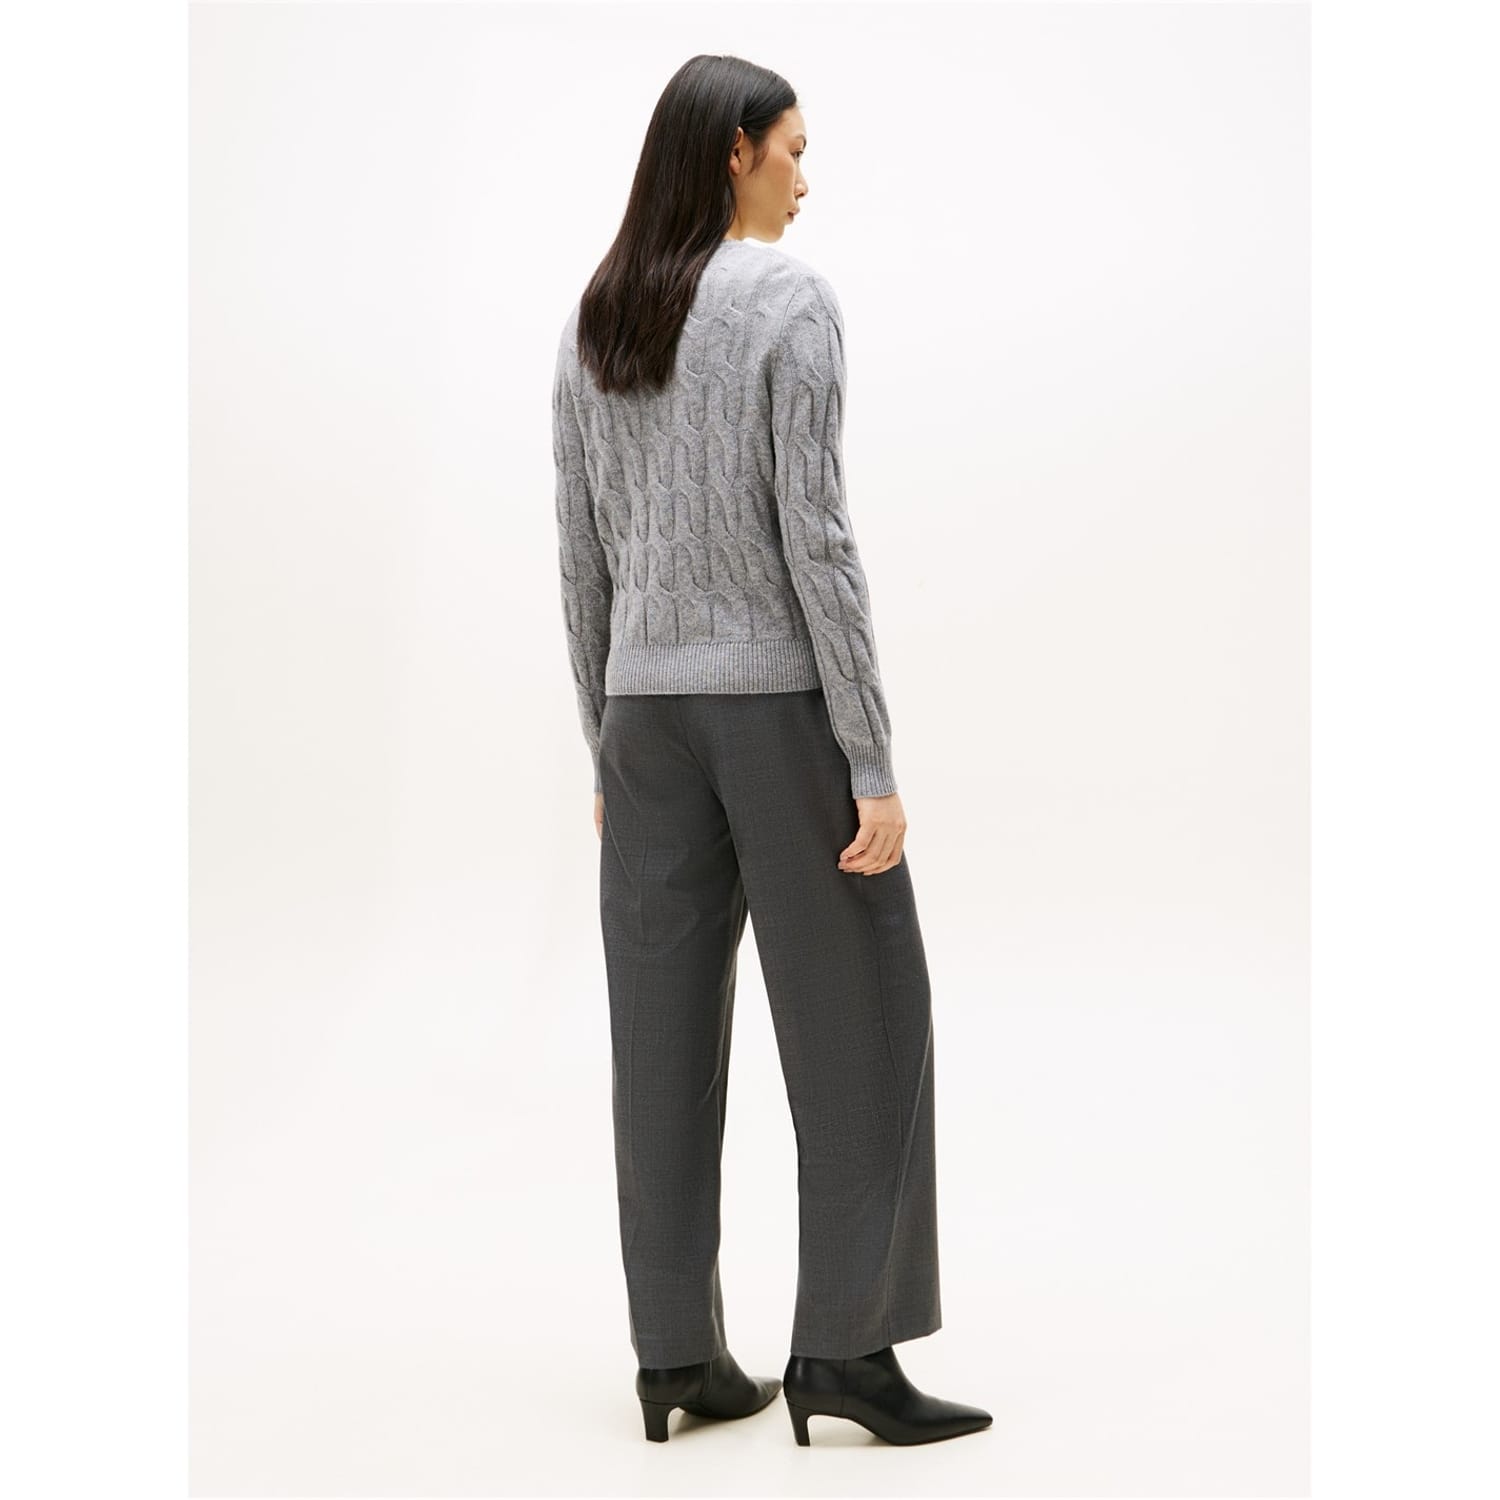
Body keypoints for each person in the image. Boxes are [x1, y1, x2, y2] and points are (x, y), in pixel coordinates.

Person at [551, 53, 992, 1448]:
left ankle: (675, 1358)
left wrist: (605, 746)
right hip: (774, 713)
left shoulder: (598, 316)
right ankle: (847, 1354)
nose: (807, 177)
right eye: (794, 149)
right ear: (736, 150)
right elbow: (819, 542)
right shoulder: (789, 303)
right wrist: (871, 759)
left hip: (644, 722)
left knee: (658, 1040)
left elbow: (580, 553)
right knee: (866, 1015)